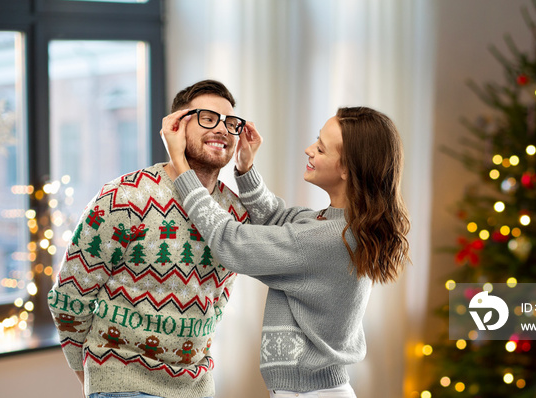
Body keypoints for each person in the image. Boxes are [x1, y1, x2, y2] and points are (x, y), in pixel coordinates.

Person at [161, 106, 411, 397]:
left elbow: (232, 243)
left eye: (320, 148)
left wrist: (180, 165)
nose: (309, 150)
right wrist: (245, 169)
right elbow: (277, 218)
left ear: (347, 169)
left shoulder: (329, 238)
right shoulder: (336, 225)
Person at [48, 79, 250, 398]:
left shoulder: (234, 212)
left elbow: (222, 297)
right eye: (208, 118)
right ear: (176, 127)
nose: (222, 128)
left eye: (230, 122)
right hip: (123, 384)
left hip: (197, 387)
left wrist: (246, 171)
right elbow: (71, 296)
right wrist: (92, 378)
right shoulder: (124, 197)